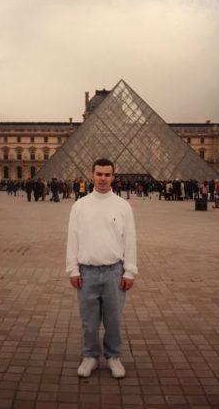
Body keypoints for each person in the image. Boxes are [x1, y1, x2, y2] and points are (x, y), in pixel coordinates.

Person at [66, 158, 137, 379]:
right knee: (89, 321)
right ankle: (90, 357)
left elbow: (130, 240)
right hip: (86, 272)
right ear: (92, 175)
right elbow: (72, 239)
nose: (103, 178)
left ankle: (114, 357)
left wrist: (130, 271)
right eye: (99, 174)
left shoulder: (123, 205)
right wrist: (73, 269)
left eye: (107, 174)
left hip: (114, 272)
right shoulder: (80, 205)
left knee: (113, 319)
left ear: (113, 177)